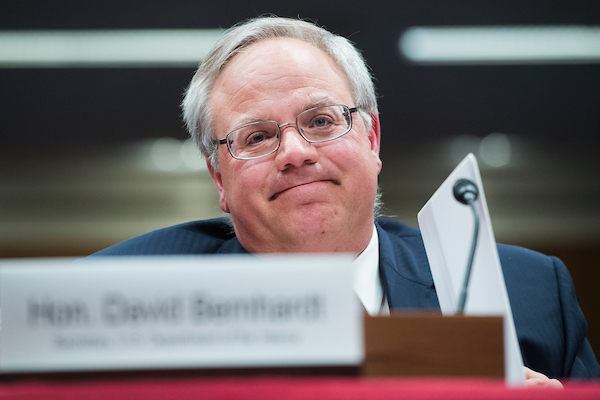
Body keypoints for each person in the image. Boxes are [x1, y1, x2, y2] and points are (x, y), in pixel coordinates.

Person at [89, 16, 599, 384]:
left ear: (372, 139)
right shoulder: (117, 304)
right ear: (219, 179)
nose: (293, 152)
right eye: (257, 137)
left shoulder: (529, 294)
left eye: (320, 121)